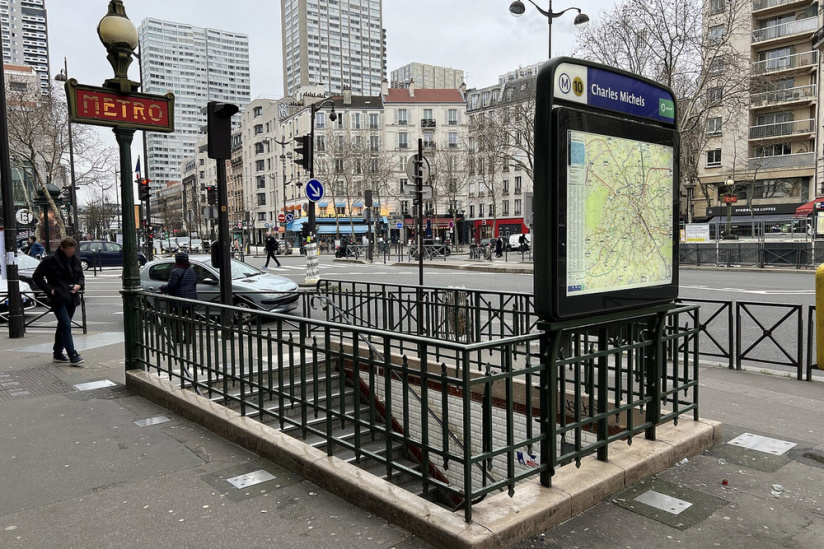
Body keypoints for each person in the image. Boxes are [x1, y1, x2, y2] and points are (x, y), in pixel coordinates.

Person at [32, 237, 85, 366]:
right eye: (69, 250)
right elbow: (36, 276)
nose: (71, 253)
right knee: (66, 325)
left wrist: (79, 285)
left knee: (63, 325)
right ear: (62, 248)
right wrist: (49, 290)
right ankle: (72, 354)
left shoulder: (75, 260)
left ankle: (57, 353)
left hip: (72, 297)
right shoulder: (50, 260)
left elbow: (81, 277)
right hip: (58, 297)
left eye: (73, 250)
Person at [159, 252, 198, 343]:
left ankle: (177, 338)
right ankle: (188, 338)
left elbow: (171, 285)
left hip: (178, 301)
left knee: (176, 320)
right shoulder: (191, 271)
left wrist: (162, 287)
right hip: (191, 300)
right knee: (188, 321)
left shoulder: (175, 271)